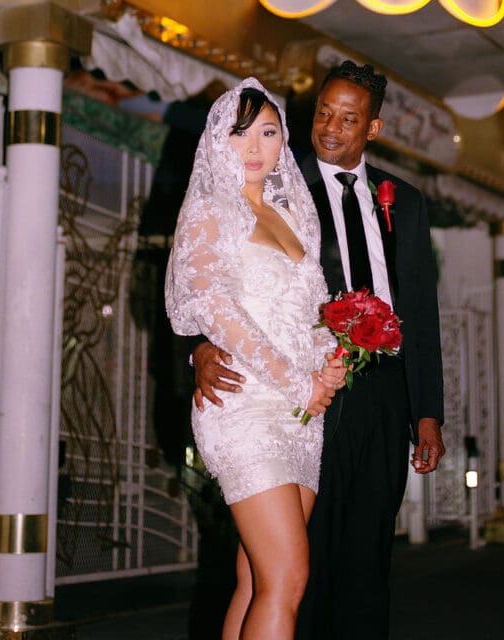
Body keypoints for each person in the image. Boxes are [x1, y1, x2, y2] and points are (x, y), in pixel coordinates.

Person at [192, 60, 446, 639]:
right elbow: (216, 277)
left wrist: (426, 414)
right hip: (303, 390)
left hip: (383, 394)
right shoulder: (277, 188)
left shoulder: (404, 202)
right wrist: (199, 348)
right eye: (323, 113)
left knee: (367, 547)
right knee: (293, 561)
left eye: (348, 118)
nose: (330, 127)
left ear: (373, 129)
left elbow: (423, 316)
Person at [164, 78, 345, 640]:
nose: (254, 146)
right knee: (288, 576)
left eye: (268, 132)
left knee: (257, 577)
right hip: (245, 405)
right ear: (219, 140)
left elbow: (312, 307)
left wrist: (327, 366)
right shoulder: (210, 213)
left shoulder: (294, 219)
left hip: (302, 416)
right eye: (240, 133)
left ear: (282, 142)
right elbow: (214, 309)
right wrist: (297, 381)